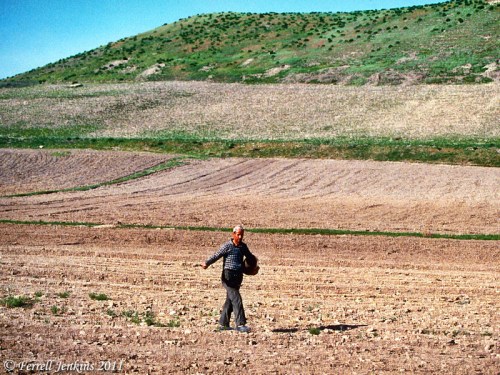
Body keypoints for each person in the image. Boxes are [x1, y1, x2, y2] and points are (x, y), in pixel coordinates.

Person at [201, 225, 256, 333]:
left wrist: (253, 267)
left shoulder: (243, 247)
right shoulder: (227, 246)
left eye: (242, 235)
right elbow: (216, 255)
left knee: (230, 301)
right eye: (238, 234)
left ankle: (223, 324)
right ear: (233, 234)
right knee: (236, 299)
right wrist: (206, 263)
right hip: (228, 276)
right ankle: (240, 324)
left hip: (238, 276)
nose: (240, 237)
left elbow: (250, 257)